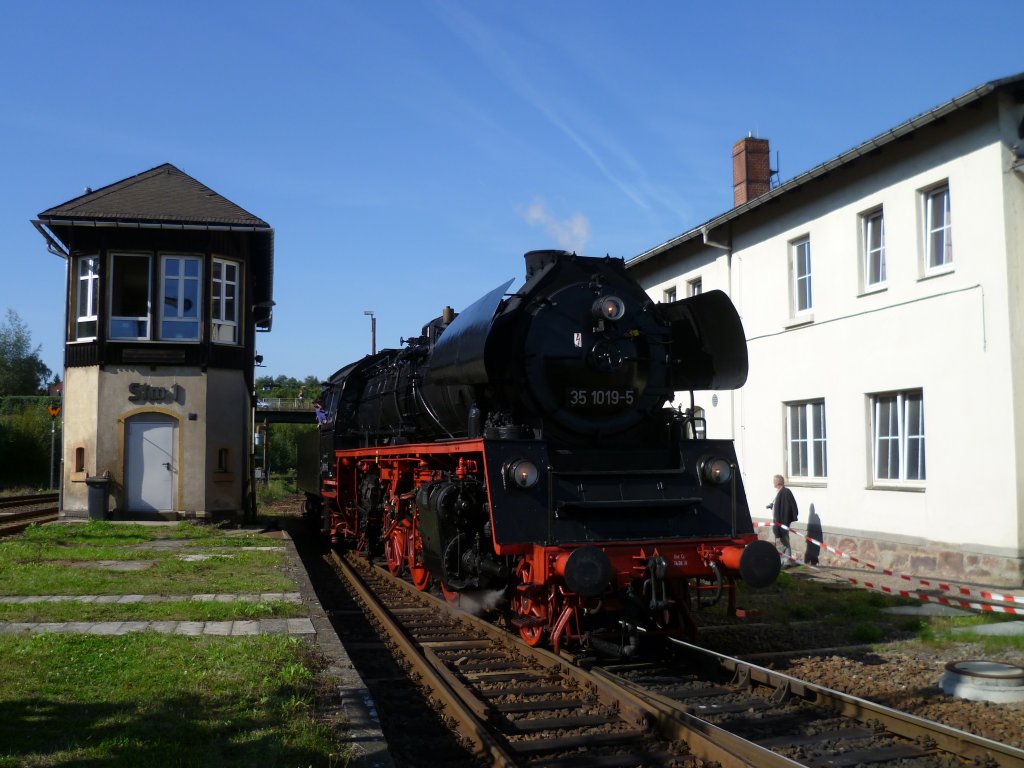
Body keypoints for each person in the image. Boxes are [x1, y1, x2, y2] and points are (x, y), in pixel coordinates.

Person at [770, 474, 799, 567]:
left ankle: (785, 562)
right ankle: (785, 561)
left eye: (774, 481)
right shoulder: (779, 492)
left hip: (782, 523)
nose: (773, 483)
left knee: (782, 542)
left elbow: (788, 509)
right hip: (779, 522)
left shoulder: (786, 492)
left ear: (778, 482)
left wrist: (785, 522)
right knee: (783, 542)